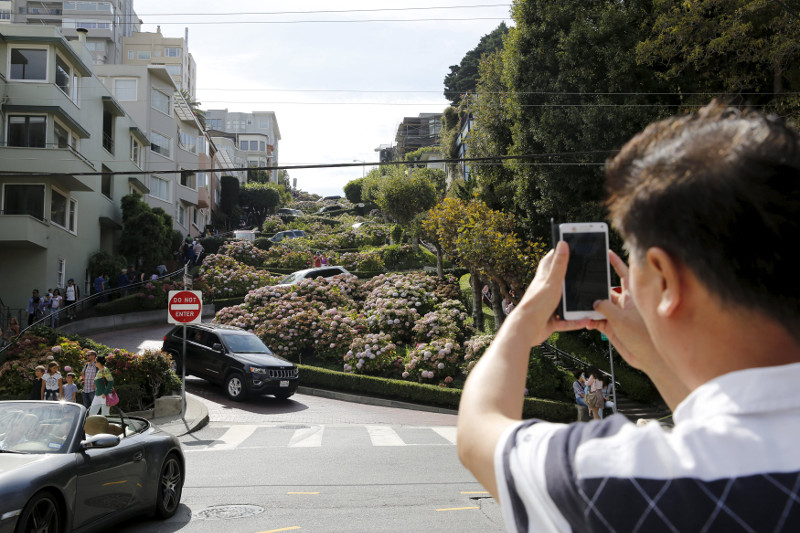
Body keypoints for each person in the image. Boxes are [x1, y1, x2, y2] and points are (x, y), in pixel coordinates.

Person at [456, 102, 800, 531]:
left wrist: (524, 317)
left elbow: (477, 433)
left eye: (633, 261)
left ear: (665, 278)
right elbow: (721, 424)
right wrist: (655, 358)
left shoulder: (621, 480)